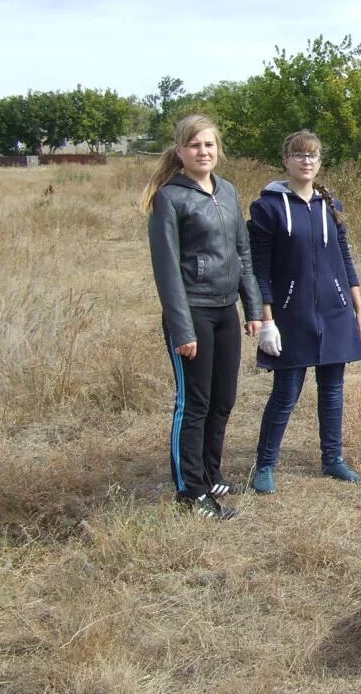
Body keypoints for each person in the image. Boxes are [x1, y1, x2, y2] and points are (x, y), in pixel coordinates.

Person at [142, 114, 263, 520]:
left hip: (225, 309)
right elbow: (167, 270)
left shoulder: (227, 191)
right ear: (180, 152)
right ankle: (191, 492)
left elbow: (243, 254)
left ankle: (210, 474)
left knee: (223, 400)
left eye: (209, 145)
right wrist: (182, 327)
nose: (203, 152)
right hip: (191, 310)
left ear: (218, 149)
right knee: (193, 403)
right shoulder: (169, 198)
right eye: (195, 145)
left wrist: (252, 307)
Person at [247, 130, 361, 493]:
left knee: (332, 388)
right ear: (286, 160)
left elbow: (344, 260)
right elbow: (260, 269)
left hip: (335, 311)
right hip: (290, 313)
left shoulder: (331, 205)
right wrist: (267, 319)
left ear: (320, 162)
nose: (306, 161)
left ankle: (332, 459)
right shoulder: (268, 207)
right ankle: (266, 463)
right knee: (286, 391)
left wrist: (358, 310)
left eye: (313, 156)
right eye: (299, 155)